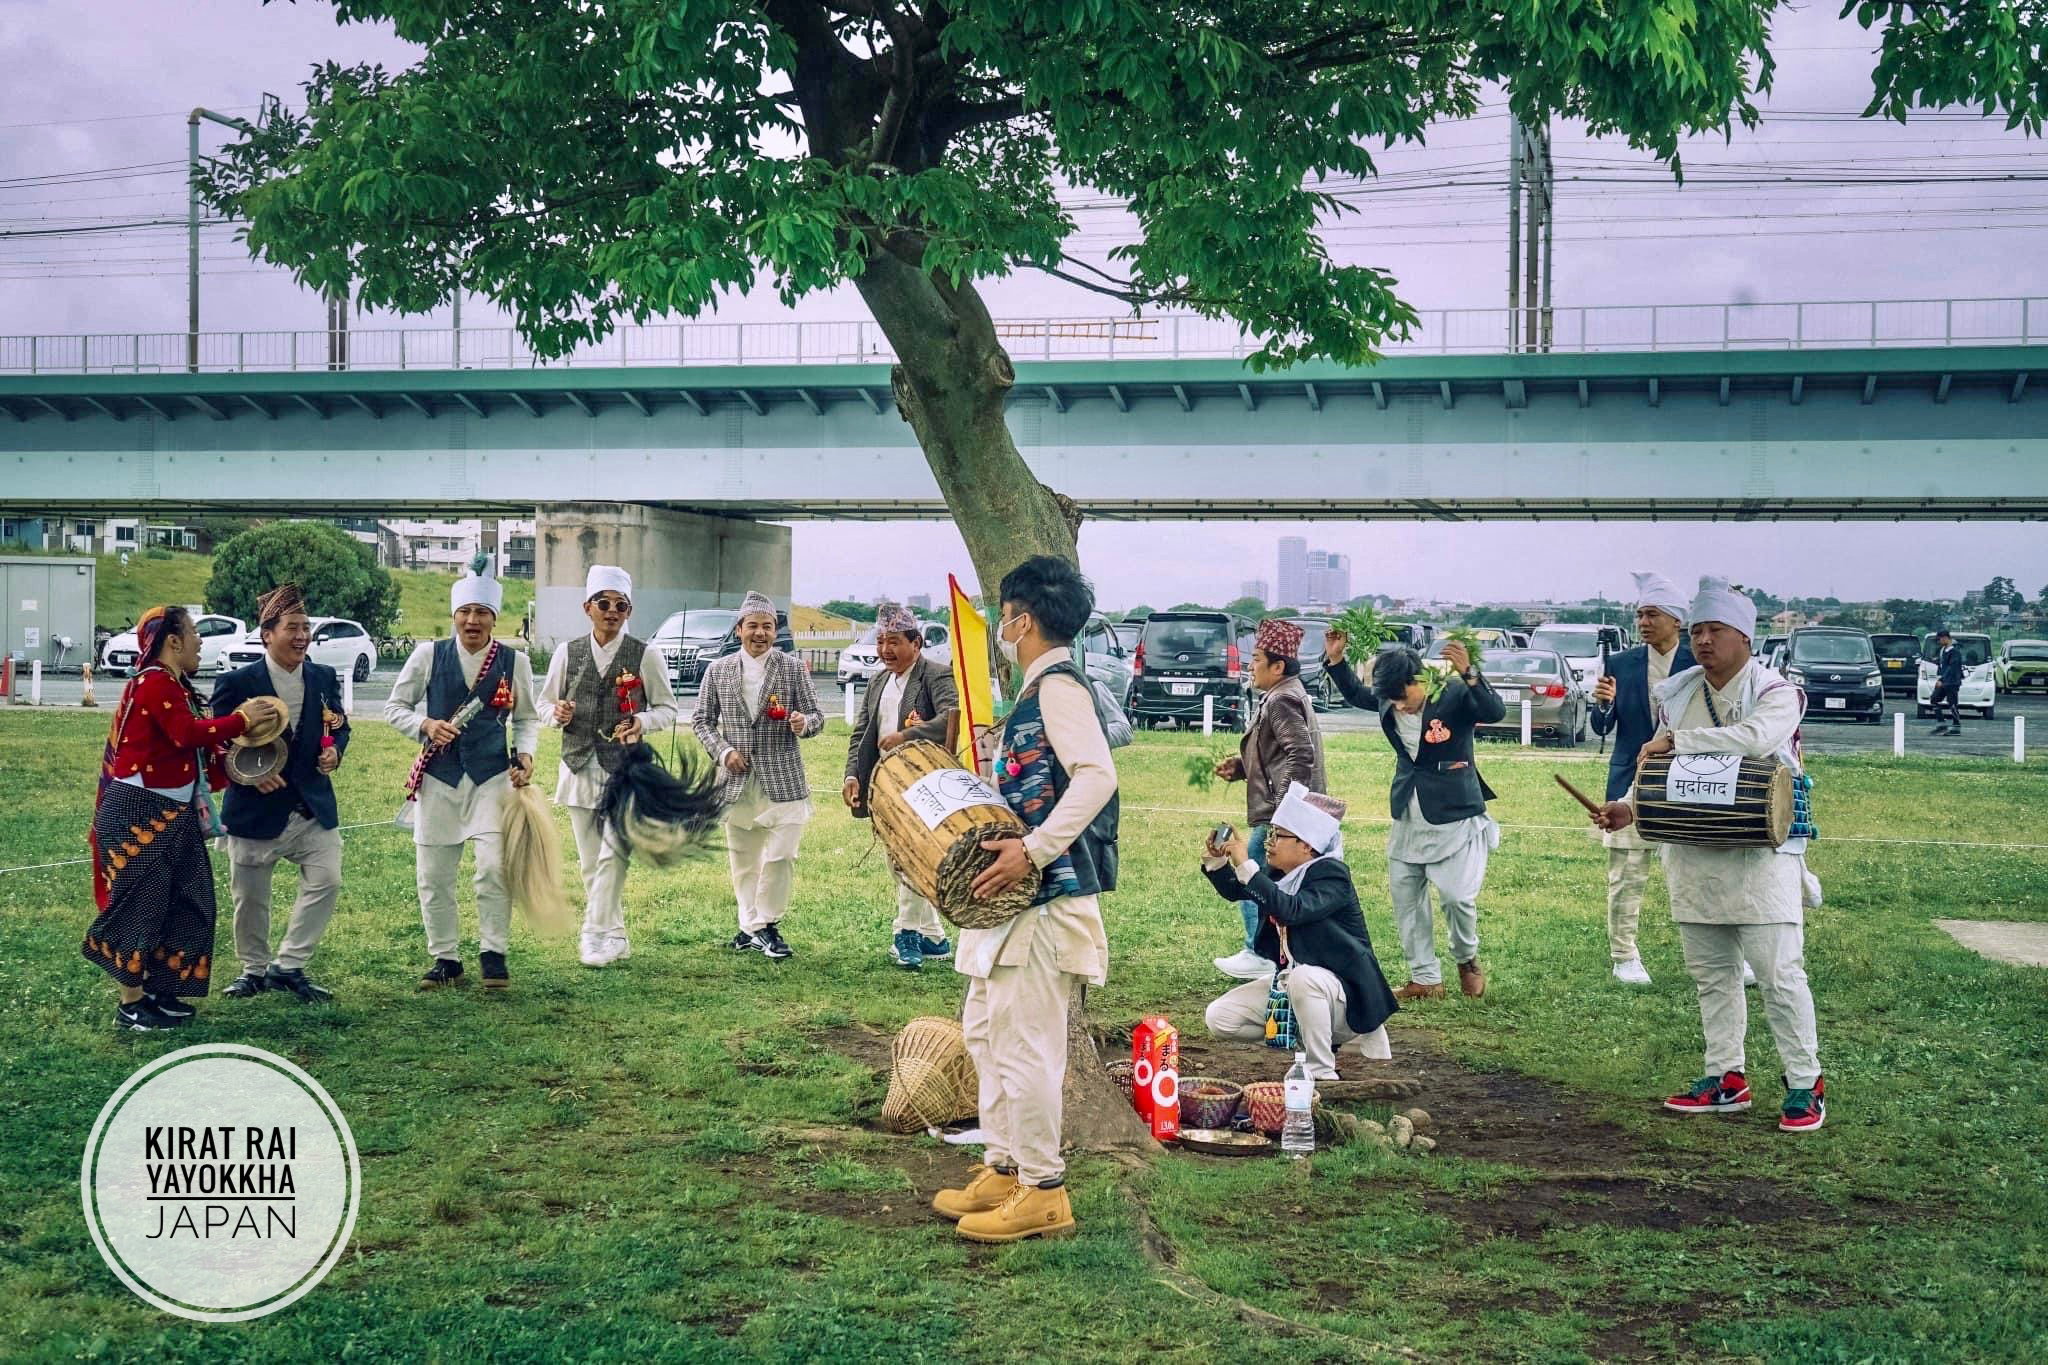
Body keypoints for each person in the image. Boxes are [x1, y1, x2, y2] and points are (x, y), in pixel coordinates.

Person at [1591, 576, 1827, 1134]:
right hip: (1694, 853)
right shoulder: (1678, 694)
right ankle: (1726, 1076)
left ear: (1744, 637)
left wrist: (1682, 742)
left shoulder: (1776, 692)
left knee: (1779, 974)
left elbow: (1754, 741)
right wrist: (1628, 807)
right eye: (1697, 630)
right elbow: (1663, 766)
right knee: (1711, 975)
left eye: (1714, 630)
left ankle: (1804, 1083)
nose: (1702, 641)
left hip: (1762, 858)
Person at [932, 556, 1116, 1244]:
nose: (1000, 626)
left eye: (1004, 615)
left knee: (1026, 1049)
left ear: (1023, 619)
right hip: (1010, 908)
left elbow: (1097, 775)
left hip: (1045, 903)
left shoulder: (1060, 689)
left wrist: (1034, 848)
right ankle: (1005, 1166)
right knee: (988, 1033)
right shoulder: (1034, 691)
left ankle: (1043, 1187)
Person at [84, 606, 278, 1030]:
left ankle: (162, 990)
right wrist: (242, 720)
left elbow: (193, 743)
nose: (200, 641)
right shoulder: (154, 683)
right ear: (173, 641)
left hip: (172, 810)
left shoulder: (174, 685)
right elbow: (184, 733)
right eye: (193, 632)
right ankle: (130, 1004)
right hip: (140, 809)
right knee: (141, 904)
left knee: (191, 899)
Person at [1321, 629, 1504, 999]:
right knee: (1406, 898)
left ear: (1419, 679)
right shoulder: (1390, 700)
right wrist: (1337, 661)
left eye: (1403, 697)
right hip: (1408, 810)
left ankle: (1467, 960)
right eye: (1391, 700)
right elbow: (1358, 695)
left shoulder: (1452, 694)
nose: (1399, 706)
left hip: (1454, 810)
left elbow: (1493, 712)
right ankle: (1425, 978)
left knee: (1456, 898)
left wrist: (1470, 674)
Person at [385, 557, 540, 990]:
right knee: (433, 873)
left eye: (482, 613)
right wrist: (425, 725)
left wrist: (525, 754)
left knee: (493, 867)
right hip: (440, 777)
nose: (472, 621)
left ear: (494, 618)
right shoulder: (428, 655)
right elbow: (394, 707)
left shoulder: (515, 662)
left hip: (492, 776)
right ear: (454, 615)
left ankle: (494, 953)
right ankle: (445, 958)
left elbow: (526, 718)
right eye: (465, 612)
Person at [1202, 782, 1397, 1079]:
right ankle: (1311, 1035)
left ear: (1306, 846)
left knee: (1305, 978)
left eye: (1278, 836)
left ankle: (1321, 1070)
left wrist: (1246, 863)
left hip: (1342, 994)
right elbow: (1238, 890)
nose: (1269, 842)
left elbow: (1291, 909)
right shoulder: (1281, 873)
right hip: (1295, 985)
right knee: (1221, 1017)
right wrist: (1219, 860)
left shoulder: (1333, 876)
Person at [212, 583, 351, 1003]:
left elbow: (338, 726)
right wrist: (250, 775)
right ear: (267, 633)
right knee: (250, 898)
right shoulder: (237, 682)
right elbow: (217, 744)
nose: (302, 636)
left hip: (312, 807)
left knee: (327, 879)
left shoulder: (324, 677)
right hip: (255, 812)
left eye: (306, 628)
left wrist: (335, 754)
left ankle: (289, 965)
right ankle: (253, 969)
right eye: (292, 627)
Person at [537, 566, 680, 967]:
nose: (612, 612)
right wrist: (558, 714)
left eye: (621, 606)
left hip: (624, 768)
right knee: (589, 858)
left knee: (614, 853)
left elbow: (667, 708)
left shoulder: (644, 654)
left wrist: (642, 722)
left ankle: (594, 933)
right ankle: (612, 934)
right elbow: (544, 703)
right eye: (604, 604)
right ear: (588, 608)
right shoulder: (568, 652)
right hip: (579, 763)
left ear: (629, 610)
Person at [693, 591, 823, 960]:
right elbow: (701, 721)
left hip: (783, 777)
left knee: (783, 853)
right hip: (737, 780)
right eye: (753, 626)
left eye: (767, 627)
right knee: (744, 859)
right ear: (739, 630)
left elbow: (816, 716)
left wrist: (803, 722)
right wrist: (724, 752)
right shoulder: (718, 670)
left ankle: (764, 923)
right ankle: (750, 926)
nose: (760, 634)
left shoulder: (793, 667)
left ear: (775, 630)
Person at [1588, 574, 1695, 986]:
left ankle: (1723, 953)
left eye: (1652, 615)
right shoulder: (1622, 663)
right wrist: (1602, 704)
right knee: (1626, 874)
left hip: (1686, 779)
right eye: (1639, 615)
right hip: (1628, 778)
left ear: (1676, 621)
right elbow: (1601, 727)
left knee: (1697, 871)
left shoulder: (1697, 662)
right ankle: (1624, 955)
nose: (1643, 622)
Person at [843, 602, 958, 970]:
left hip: (925, 784)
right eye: (880, 642)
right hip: (886, 785)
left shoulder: (936, 675)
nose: (885, 650)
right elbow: (863, 732)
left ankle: (905, 933)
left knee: (911, 858)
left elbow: (950, 719)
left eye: (894, 641)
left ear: (917, 642)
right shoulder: (878, 680)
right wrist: (851, 776)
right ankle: (934, 936)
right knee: (901, 861)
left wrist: (907, 734)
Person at [1212, 617, 1328, 981]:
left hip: (1279, 814)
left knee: (1250, 875)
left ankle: (1258, 952)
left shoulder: (1281, 700)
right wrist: (1244, 766)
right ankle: (1271, 953)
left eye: (1257, 658)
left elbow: (1300, 755)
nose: (1250, 664)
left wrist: (1285, 813)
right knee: (1273, 883)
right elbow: (1279, 754)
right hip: (1283, 811)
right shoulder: (1284, 694)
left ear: (1278, 666)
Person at [1929, 628, 1964, 735]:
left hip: (1952, 682)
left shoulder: (1955, 652)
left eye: (1939, 639)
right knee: (1934, 699)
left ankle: (1956, 727)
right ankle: (1941, 724)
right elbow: (1943, 667)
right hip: (1945, 682)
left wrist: (1941, 679)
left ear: (1945, 638)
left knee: (1952, 704)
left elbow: (1951, 668)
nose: (1939, 642)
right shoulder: (1943, 651)